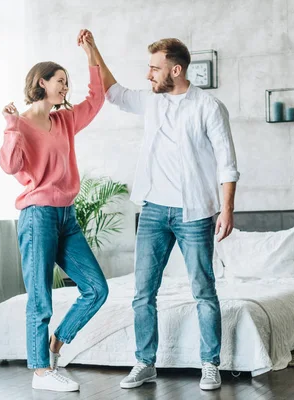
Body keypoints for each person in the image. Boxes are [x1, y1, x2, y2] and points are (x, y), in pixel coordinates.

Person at [79, 30, 240, 391]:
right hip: (153, 209)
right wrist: (93, 49)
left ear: (176, 70)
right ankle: (144, 362)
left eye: (155, 68)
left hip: (195, 212)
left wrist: (227, 210)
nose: (148, 74)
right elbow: (111, 90)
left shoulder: (208, 107)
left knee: (203, 290)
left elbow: (227, 165)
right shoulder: (151, 102)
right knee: (142, 293)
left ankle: (209, 364)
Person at [0, 31, 109, 393]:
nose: (65, 87)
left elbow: (97, 98)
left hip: (66, 216)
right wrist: (12, 127)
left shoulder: (64, 121)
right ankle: (41, 371)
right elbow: (10, 166)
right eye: (60, 81)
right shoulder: (22, 124)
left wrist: (91, 51)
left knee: (96, 288)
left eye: (66, 82)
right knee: (40, 296)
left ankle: (56, 345)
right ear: (41, 83)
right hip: (38, 216)